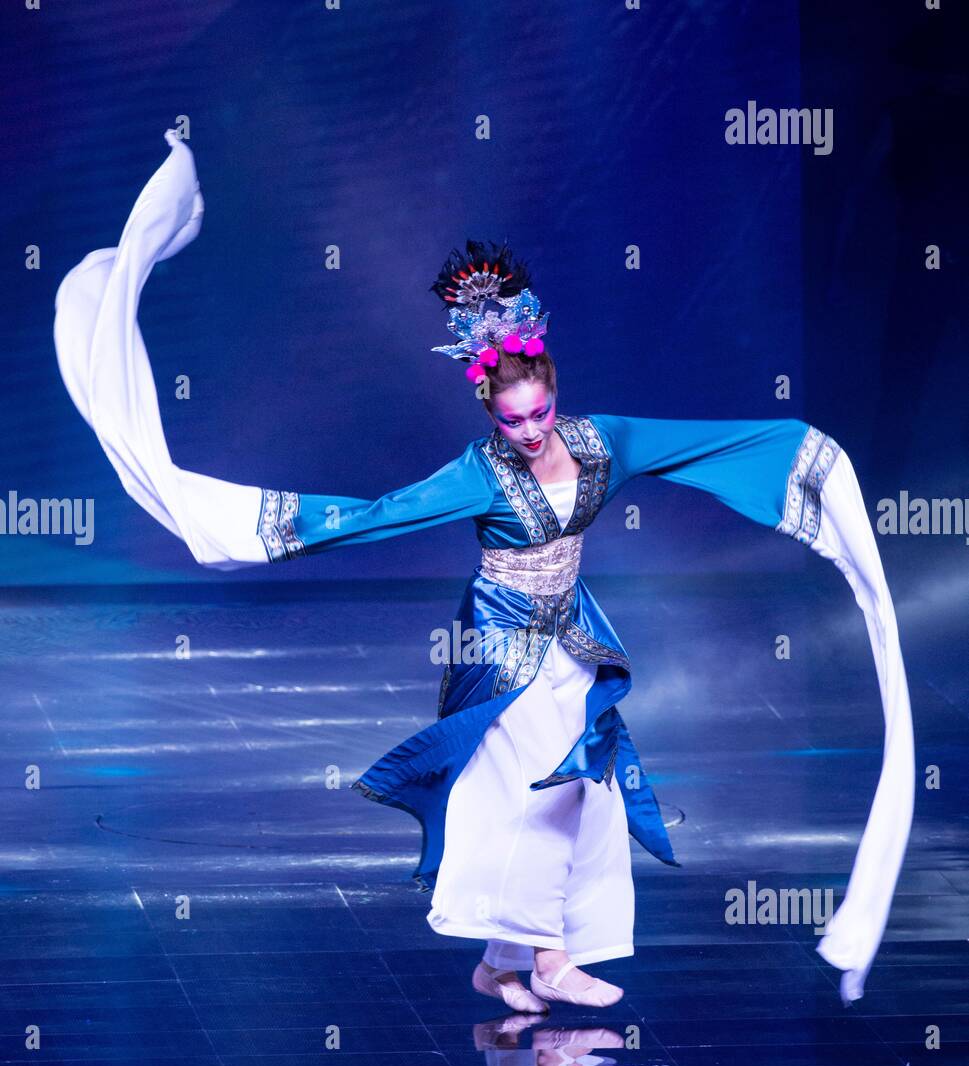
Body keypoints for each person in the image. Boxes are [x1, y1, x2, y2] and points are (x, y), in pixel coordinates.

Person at [53, 130, 915, 1008]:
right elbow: (377, 515)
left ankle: (501, 960)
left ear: (554, 391)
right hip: (502, 645)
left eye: (540, 411)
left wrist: (808, 464)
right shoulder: (479, 473)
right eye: (513, 421)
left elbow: (706, 443)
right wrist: (244, 524)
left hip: (574, 638)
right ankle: (544, 961)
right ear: (488, 413)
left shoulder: (600, 442)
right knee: (561, 784)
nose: (531, 430)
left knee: (576, 793)